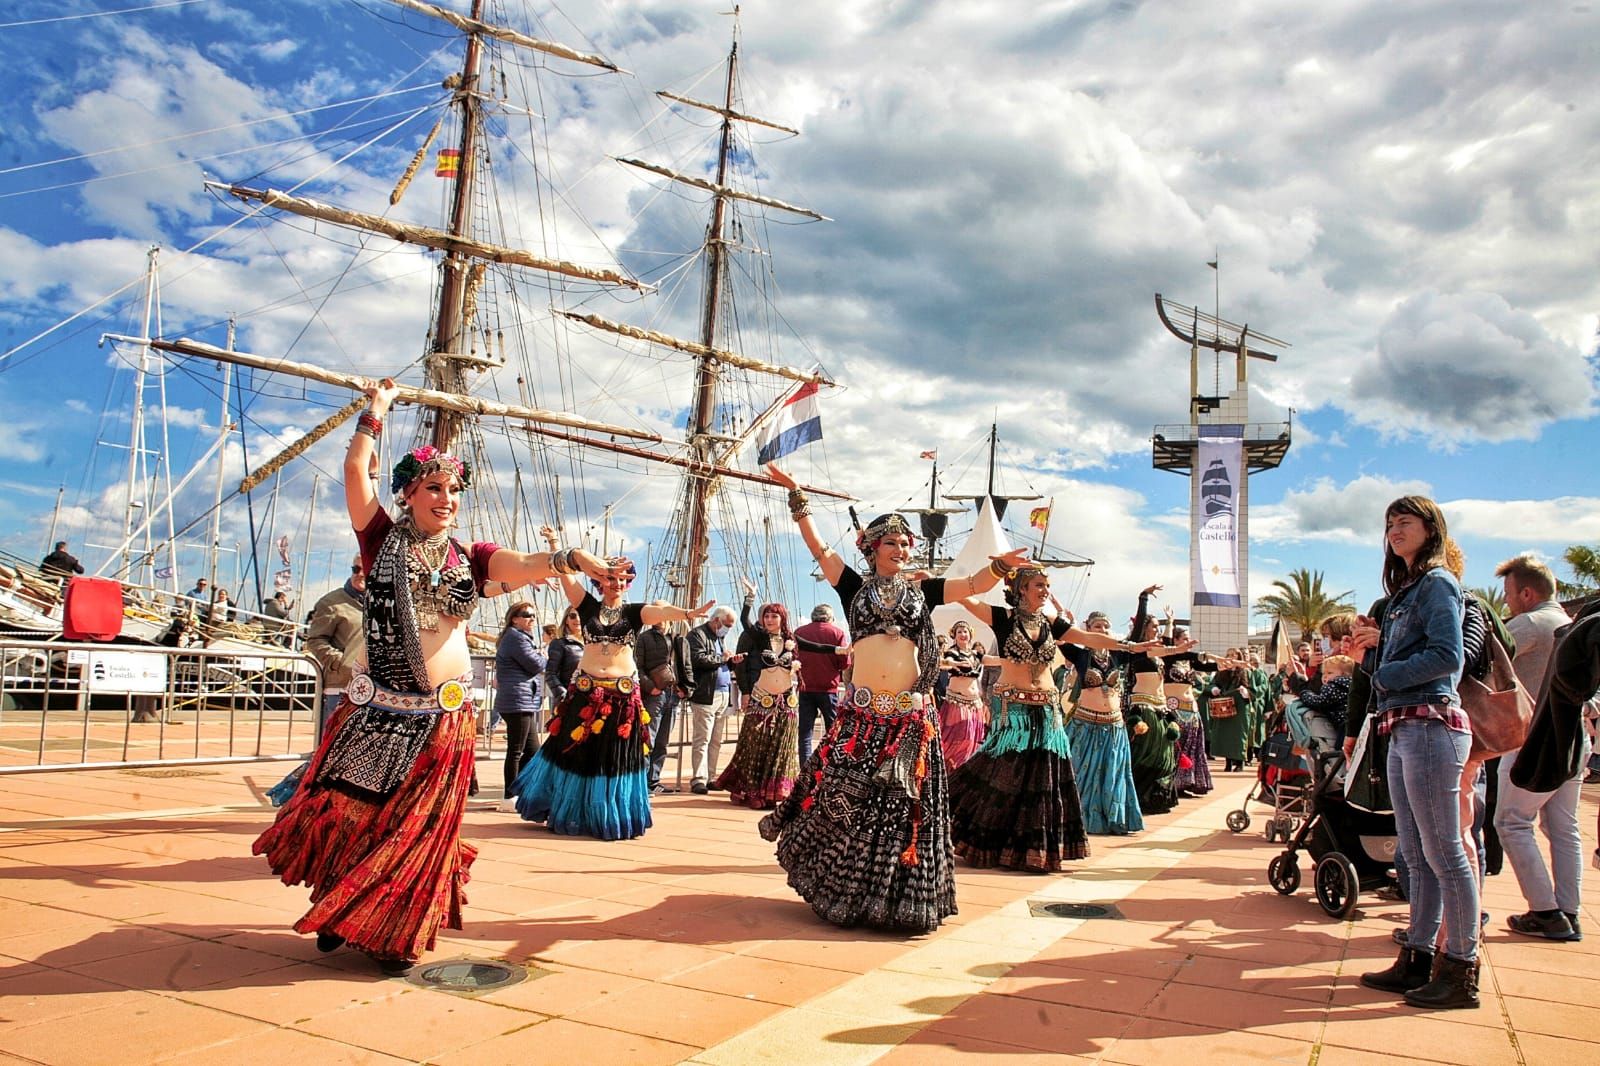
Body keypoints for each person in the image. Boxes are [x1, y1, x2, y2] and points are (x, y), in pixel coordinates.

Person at [254, 378, 624, 974]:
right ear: (407, 494)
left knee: (421, 830)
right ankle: (342, 904)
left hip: (444, 718)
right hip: (376, 711)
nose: (447, 498)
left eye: (454, 489)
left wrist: (577, 559)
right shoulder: (379, 539)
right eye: (434, 488)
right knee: (356, 816)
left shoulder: (470, 558)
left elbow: (529, 564)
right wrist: (374, 414)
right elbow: (356, 474)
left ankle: (389, 927)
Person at [758, 463, 1030, 931]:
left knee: (901, 812)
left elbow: (972, 584)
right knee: (843, 801)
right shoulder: (853, 588)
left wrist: (1002, 566)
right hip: (861, 716)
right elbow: (819, 548)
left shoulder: (924, 590)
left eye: (907, 543)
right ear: (872, 548)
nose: (902, 549)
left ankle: (896, 902)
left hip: (909, 720)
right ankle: (843, 890)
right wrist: (798, 497)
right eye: (893, 542)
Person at [1353, 496, 1477, 1010]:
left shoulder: (1438, 583)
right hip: (1405, 726)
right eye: (1388, 524)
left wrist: (1382, 673)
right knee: (1416, 853)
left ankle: (1461, 968)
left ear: (1432, 530)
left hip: (1431, 724)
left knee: (1444, 851)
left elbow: (1449, 656)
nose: (1394, 530)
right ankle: (1419, 956)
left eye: (1405, 521)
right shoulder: (1406, 591)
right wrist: (1375, 653)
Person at [945, 570, 1156, 871]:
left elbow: (1086, 637)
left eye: (1047, 586)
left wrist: (1125, 646)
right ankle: (977, 834)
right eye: (1039, 585)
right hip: (1014, 710)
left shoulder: (1051, 623)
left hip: (1047, 708)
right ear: (1021, 589)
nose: (1045, 590)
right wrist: (938, 582)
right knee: (1004, 771)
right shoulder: (1003, 617)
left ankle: (1030, 850)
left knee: (1043, 776)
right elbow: (966, 599)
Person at [511, 548, 710, 838]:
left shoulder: (634, 613)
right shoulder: (587, 606)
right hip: (585, 692)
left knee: (614, 758)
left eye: (623, 579)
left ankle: (607, 816)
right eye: (612, 577)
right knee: (574, 752)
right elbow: (567, 576)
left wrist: (688, 614)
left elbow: (661, 612)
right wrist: (557, 545)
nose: (617, 583)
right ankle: (572, 813)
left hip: (621, 696)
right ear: (601, 579)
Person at [1492, 554, 1584, 941]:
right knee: (1563, 827)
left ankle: (1545, 911)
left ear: (1527, 593)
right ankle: (1568, 909)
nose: (1507, 603)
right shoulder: (1570, 624)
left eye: (1509, 594)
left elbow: (1486, 659)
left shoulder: (1528, 624)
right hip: (1574, 737)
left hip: (1532, 738)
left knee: (1511, 822)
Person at [715, 581, 803, 808]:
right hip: (760, 696)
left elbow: (815, 647)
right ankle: (751, 790)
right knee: (754, 743)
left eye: (774, 616)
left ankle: (773, 792)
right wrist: (750, 598)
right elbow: (744, 621)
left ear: (782, 618)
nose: (770, 620)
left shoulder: (792, 641)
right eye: (766, 616)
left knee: (780, 746)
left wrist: (839, 650)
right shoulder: (758, 637)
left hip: (786, 700)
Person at [1062, 606, 1146, 835]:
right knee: (1078, 772)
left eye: (1107, 627)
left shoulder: (1118, 655)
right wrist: (1064, 619)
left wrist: (1143, 598)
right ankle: (1074, 820)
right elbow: (1058, 633)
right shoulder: (1080, 655)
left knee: (1113, 774)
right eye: (1097, 626)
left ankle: (1112, 819)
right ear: (1087, 630)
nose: (1103, 630)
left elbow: (1136, 636)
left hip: (1113, 726)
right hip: (1084, 725)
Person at [683, 606, 742, 793]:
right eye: (726, 625)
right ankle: (698, 778)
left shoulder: (719, 638)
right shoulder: (697, 635)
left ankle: (711, 776)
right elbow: (697, 659)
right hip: (706, 694)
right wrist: (721, 658)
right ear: (716, 620)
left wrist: (731, 661)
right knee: (703, 738)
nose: (728, 629)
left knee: (716, 740)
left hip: (723, 693)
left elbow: (721, 661)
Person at [494, 601, 546, 809]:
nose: (531, 619)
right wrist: (543, 656)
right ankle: (509, 796)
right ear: (514, 618)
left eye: (533, 615)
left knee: (532, 750)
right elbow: (536, 665)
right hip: (517, 700)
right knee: (516, 750)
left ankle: (520, 789)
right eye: (526, 615)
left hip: (522, 699)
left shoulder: (517, 638)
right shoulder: (516, 638)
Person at [302, 562, 367, 725]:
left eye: (366, 567)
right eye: (356, 569)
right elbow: (315, 640)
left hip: (372, 689)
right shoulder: (331, 603)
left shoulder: (381, 603)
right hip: (340, 688)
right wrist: (341, 663)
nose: (360, 573)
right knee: (332, 744)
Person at [794, 603, 849, 765]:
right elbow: (845, 662)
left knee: (805, 733)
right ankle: (829, 765)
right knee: (832, 730)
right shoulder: (837, 633)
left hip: (805, 688)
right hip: (828, 689)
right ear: (830, 617)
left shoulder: (799, 633)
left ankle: (805, 768)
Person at [936, 621, 986, 770]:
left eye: (965, 631)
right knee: (955, 737)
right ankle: (950, 770)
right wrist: (956, 665)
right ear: (954, 636)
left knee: (972, 739)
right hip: (957, 703)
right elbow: (948, 662)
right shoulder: (952, 653)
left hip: (975, 704)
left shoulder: (976, 655)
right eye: (959, 632)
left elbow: (991, 660)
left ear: (970, 634)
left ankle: (965, 770)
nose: (963, 634)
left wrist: (1007, 661)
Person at [545, 606, 584, 708]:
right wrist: (563, 695)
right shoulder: (559, 643)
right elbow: (550, 673)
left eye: (580, 615)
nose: (577, 619)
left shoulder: (593, 644)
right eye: (573, 616)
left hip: (588, 700)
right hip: (568, 702)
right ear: (566, 620)